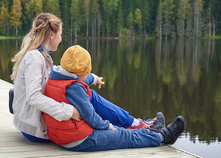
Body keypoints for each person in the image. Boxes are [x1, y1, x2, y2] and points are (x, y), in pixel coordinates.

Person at [10, 13, 154, 143]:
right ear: (51, 35)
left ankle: (133, 124)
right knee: (88, 96)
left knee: (85, 94)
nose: (61, 39)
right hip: (35, 129)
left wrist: (91, 78)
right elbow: (33, 97)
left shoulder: (41, 55)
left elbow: (61, 78)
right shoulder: (34, 58)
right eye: (60, 34)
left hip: (37, 122)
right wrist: (68, 111)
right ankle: (134, 125)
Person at [44, 45, 186, 151]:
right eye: (86, 72)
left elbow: (78, 80)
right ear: (81, 72)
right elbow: (92, 118)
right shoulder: (75, 88)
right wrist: (109, 126)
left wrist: (93, 78)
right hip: (79, 139)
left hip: (61, 135)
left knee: (119, 129)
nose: (87, 74)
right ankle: (163, 137)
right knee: (124, 136)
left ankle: (147, 130)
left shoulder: (55, 76)